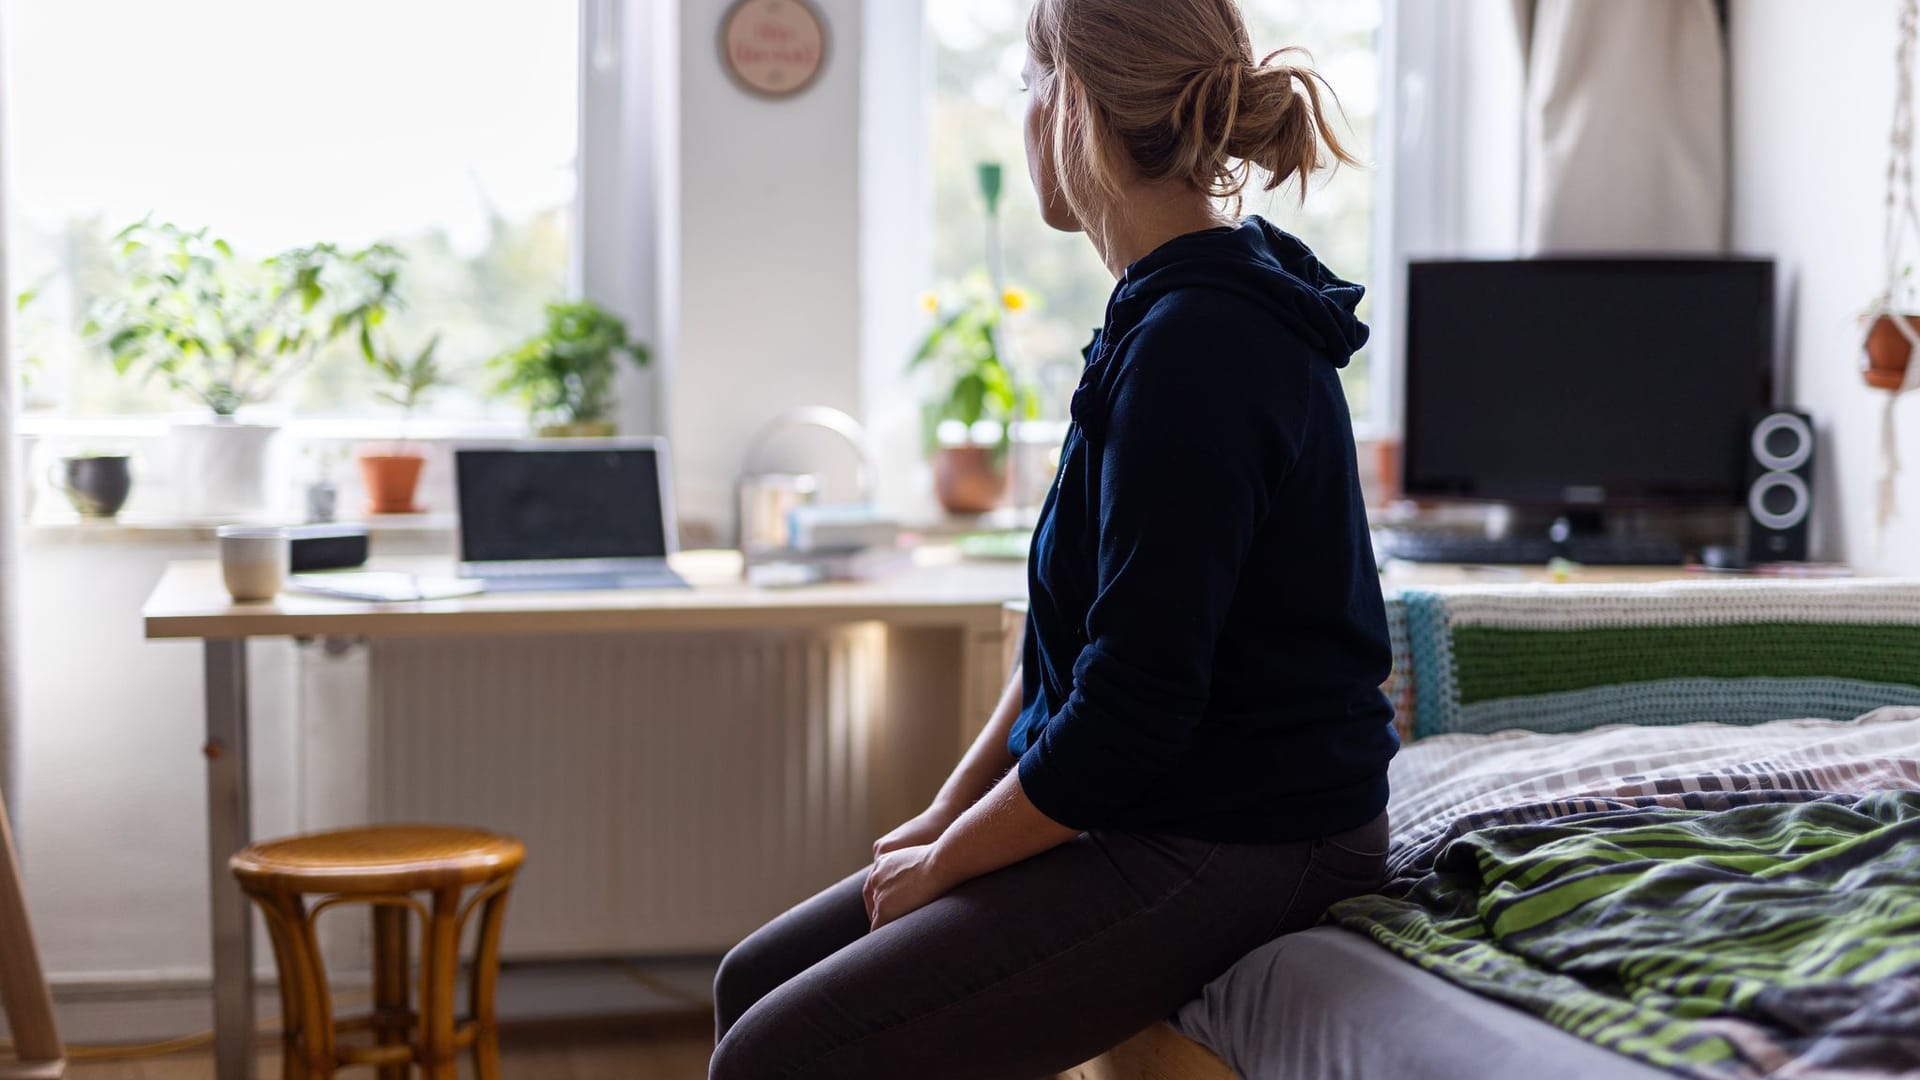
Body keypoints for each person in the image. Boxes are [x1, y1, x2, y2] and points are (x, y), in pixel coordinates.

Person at [710, 0, 1396, 1075]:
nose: (1020, 114)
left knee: (778, 1057)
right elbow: (1071, 647)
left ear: (1069, 104)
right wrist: (942, 822)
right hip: (1172, 803)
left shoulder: (1201, 347)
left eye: (1029, 85)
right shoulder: (1160, 312)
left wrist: (947, 868)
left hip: (1257, 836)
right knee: (749, 982)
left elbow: (1130, 709)